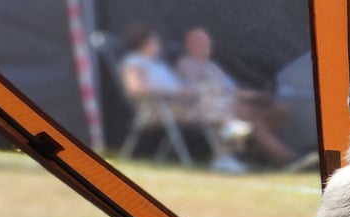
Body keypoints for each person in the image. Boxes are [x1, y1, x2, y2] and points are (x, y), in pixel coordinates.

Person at [120, 22, 249, 173]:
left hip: (177, 105)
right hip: (159, 109)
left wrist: (186, 91)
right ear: (146, 43)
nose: (158, 45)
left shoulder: (157, 64)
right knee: (221, 114)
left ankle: (226, 153)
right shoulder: (134, 62)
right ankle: (225, 156)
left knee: (222, 106)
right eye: (155, 41)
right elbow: (135, 88)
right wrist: (174, 92)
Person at [176, 27, 297, 168]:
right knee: (250, 116)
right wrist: (239, 95)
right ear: (189, 45)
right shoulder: (186, 65)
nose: (205, 47)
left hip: (235, 101)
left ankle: (257, 152)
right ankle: (286, 157)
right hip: (214, 106)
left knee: (280, 110)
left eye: (206, 43)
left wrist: (253, 95)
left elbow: (231, 87)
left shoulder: (213, 66)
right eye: (200, 43)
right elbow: (201, 91)